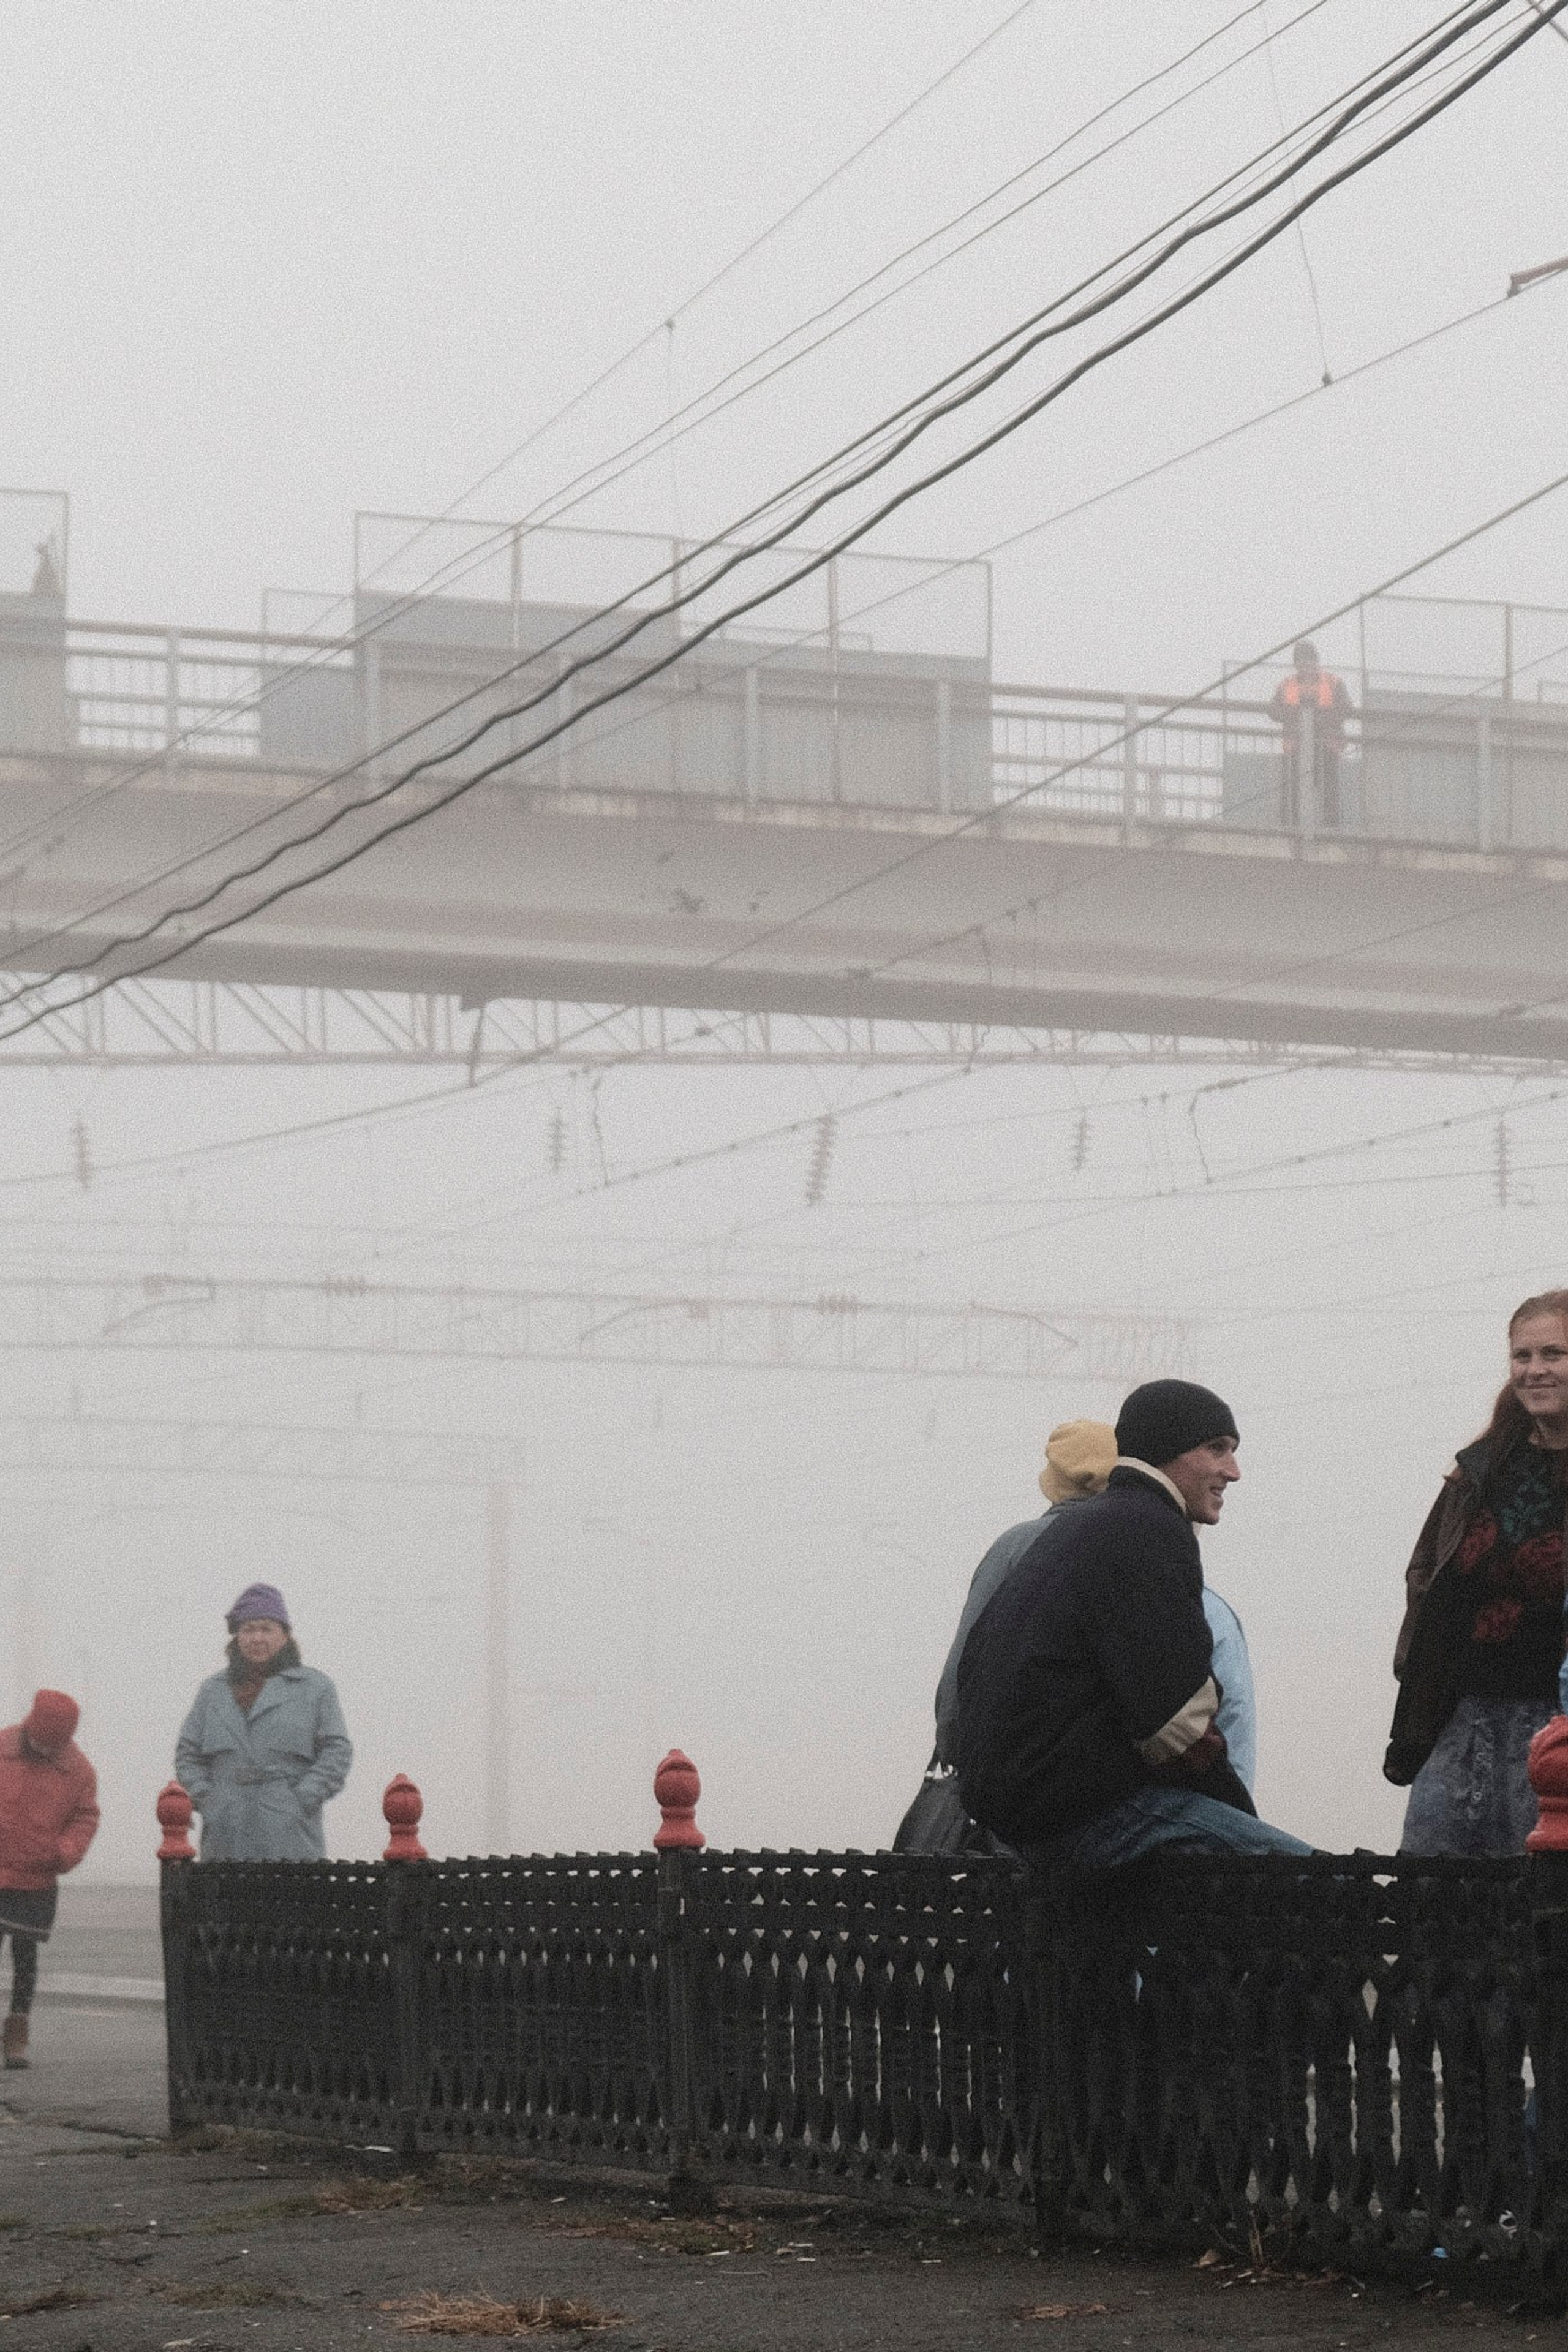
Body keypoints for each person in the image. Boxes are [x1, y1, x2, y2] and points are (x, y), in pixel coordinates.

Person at [957, 1380, 1311, 1864]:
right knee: (1328, 1891)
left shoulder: (1082, 1528)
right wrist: (1235, 1817)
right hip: (1082, 1815)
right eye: (1217, 1449)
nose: (1234, 1471)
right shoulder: (1148, 1528)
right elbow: (1178, 1724)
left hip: (1020, 1814)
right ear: (1168, 1448)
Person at [932, 1419, 1259, 1790]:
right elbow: (1228, 1716)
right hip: (1132, 1805)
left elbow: (960, 1684)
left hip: (1017, 1800)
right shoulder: (1170, 1569)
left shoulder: (1016, 1551)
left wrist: (963, 1763)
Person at [1386, 1290, 1568, 1855]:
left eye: (1554, 1354)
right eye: (1522, 1356)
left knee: (1540, 1913)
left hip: (1556, 1731)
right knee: (1437, 1902)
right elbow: (1428, 1580)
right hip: (1464, 1720)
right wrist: (1417, 1684)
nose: (1535, 1370)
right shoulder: (1480, 1471)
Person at [175, 1584, 352, 1862]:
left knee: (287, 1905)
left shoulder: (316, 1688)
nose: (257, 1638)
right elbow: (187, 1753)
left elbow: (337, 1751)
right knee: (225, 1906)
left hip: (290, 1840)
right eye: (249, 1629)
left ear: (285, 1635)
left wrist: (301, 1800)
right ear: (237, 1637)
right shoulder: (213, 1691)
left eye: (267, 1629)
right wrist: (208, 1800)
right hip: (225, 1838)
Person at [0, 1691, 99, 2069]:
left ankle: (17, 2030)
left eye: (53, 1745)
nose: (44, 1749)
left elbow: (86, 1817)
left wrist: (66, 1851)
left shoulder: (79, 1771)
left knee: (25, 1958)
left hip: (36, 1877)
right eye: (40, 1741)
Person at [1270, 638, 1353, 829]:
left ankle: (1330, 830)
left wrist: (1322, 720)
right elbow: (1273, 710)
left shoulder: (1333, 682)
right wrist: (1295, 716)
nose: (1305, 665)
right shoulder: (1287, 685)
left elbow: (1347, 708)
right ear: (1296, 664)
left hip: (1327, 745)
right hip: (1296, 746)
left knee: (1329, 791)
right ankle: (1290, 829)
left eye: (1309, 660)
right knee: (1292, 791)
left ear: (1316, 661)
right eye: (1301, 661)